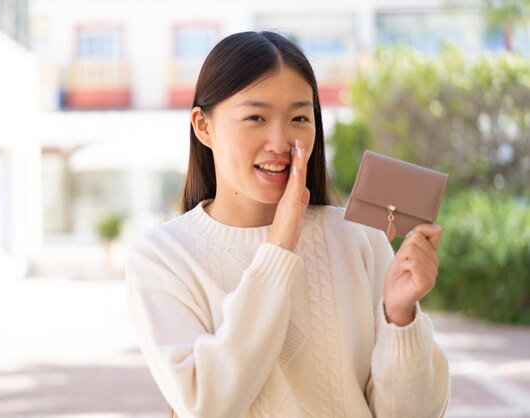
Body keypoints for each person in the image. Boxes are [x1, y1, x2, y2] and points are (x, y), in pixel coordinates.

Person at [125, 31, 450, 418]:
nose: (280, 142)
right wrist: (279, 248)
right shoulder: (162, 256)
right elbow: (207, 404)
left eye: (299, 118)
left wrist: (400, 317)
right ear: (203, 126)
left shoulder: (358, 236)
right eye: (255, 117)